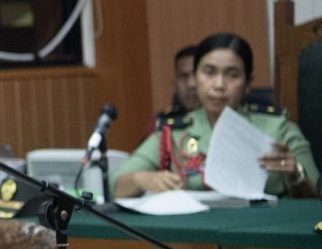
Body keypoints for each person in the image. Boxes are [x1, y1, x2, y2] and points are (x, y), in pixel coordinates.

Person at [113, 32, 319, 198]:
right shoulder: (174, 132)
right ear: (195, 77)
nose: (219, 85)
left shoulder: (278, 129)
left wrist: (296, 176)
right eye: (209, 72)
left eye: (232, 75)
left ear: (248, 83)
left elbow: (316, 197)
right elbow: (115, 184)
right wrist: (142, 179)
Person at [148, 45, 199, 133]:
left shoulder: (223, 118)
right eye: (184, 76)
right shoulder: (164, 121)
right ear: (174, 83)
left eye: (196, 75)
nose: (191, 84)